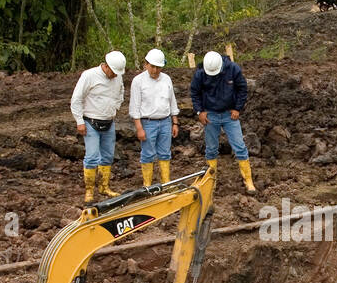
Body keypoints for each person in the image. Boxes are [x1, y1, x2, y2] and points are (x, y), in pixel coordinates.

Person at [191, 50, 256, 192]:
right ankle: (211, 181)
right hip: (210, 115)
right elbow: (194, 93)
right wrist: (199, 111)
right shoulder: (201, 73)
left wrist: (237, 108)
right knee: (211, 149)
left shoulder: (233, 69)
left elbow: (242, 89)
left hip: (229, 114)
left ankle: (248, 181)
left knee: (239, 146)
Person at [71, 50, 127, 202]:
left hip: (109, 122)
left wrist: (115, 107)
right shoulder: (89, 76)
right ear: (106, 66)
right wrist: (79, 121)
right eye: (113, 72)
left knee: (108, 156)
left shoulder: (118, 77)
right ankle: (89, 191)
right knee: (91, 157)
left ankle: (104, 186)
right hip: (91, 122)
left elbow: (121, 92)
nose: (115, 75)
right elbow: (76, 99)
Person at [129, 48, 179, 186]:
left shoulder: (167, 79)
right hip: (148, 122)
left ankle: (166, 182)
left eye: (158, 67)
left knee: (165, 153)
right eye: (153, 66)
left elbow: (172, 101)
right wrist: (139, 128)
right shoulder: (138, 81)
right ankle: (147, 185)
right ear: (146, 64)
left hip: (165, 121)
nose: (155, 70)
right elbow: (135, 106)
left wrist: (175, 123)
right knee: (148, 154)